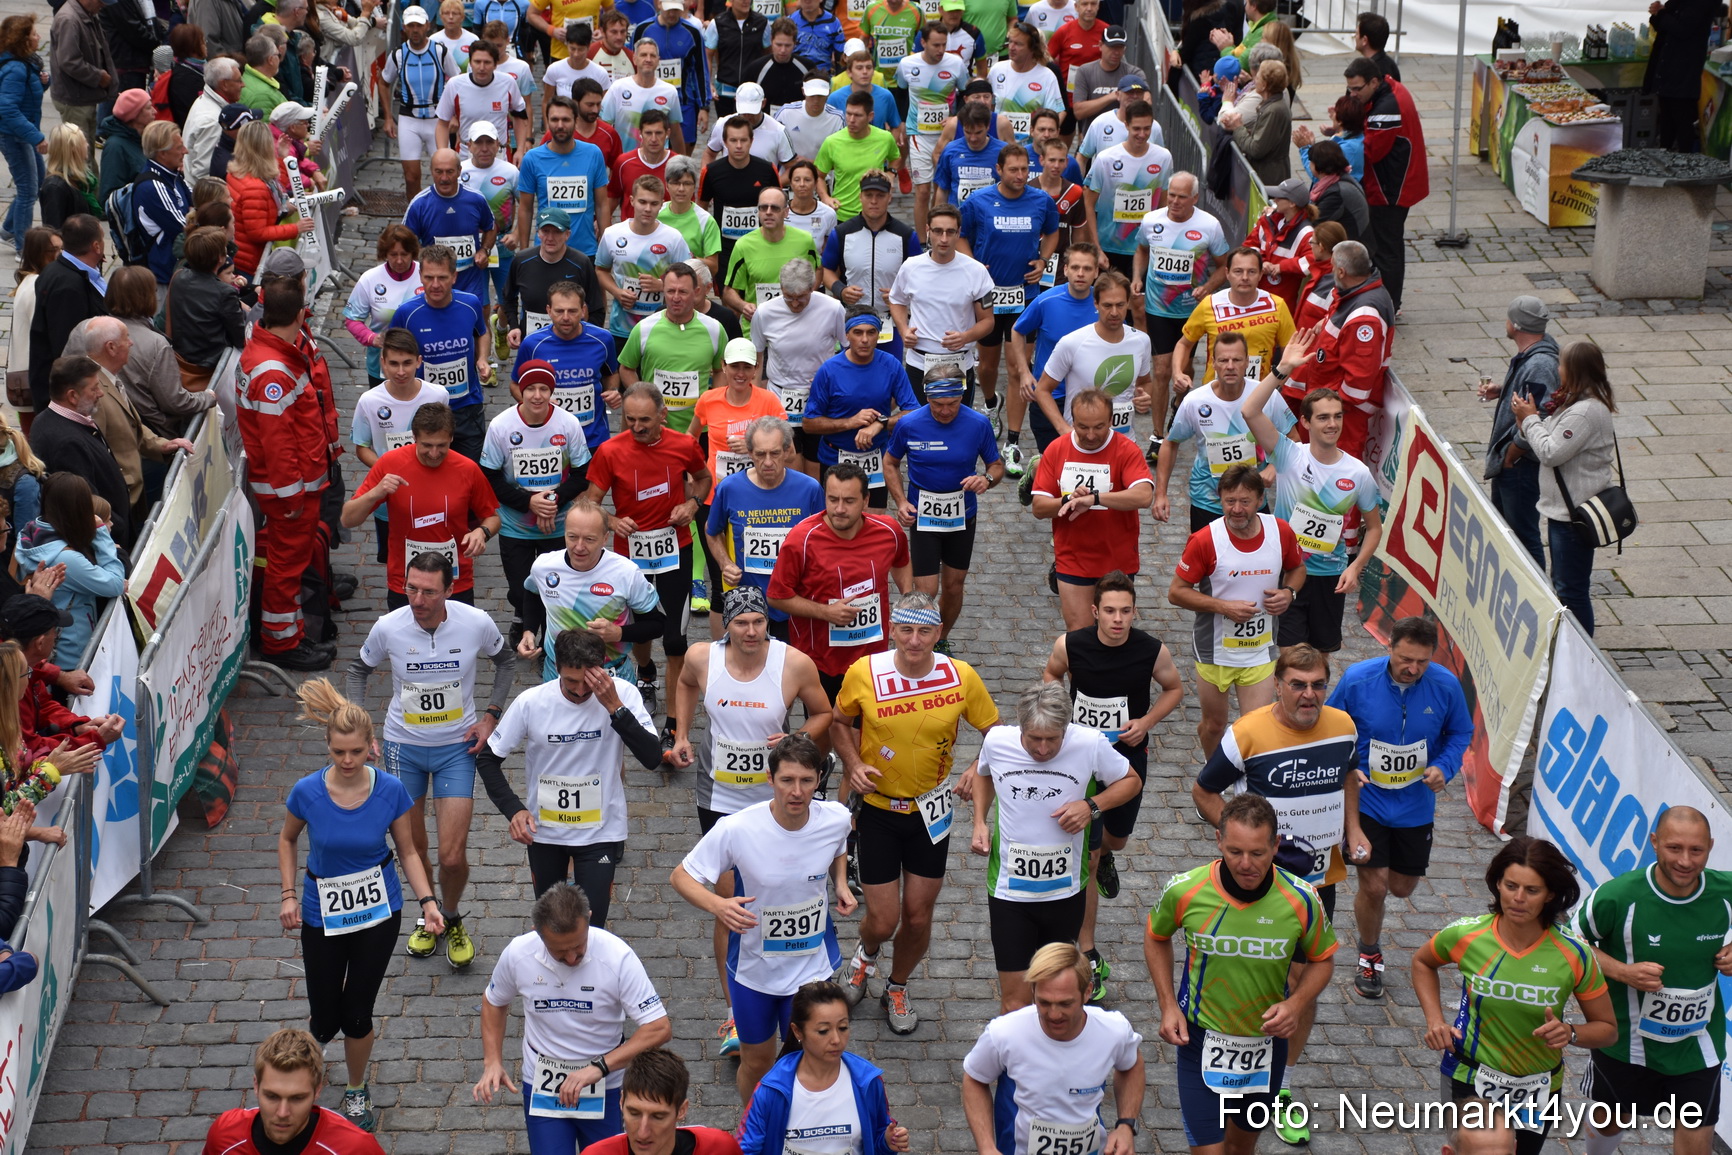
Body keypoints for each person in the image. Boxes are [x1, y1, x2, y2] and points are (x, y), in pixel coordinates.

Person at [1191, 642, 1365, 1143]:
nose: (1308, 695)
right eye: (1297, 684)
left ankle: (1279, 1085)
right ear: (1277, 685)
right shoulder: (1247, 734)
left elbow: (1347, 778)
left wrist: (1353, 830)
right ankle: (1236, 1066)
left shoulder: (1343, 727)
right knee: (1261, 976)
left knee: (1303, 983)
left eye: (1317, 685)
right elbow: (1204, 791)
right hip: (1260, 883)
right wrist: (1234, 845)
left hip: (1317, 883)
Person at [669, 586, 832, 1054]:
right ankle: (736, 1012)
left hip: (779, 801)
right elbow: (682, 683)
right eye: (740, 622)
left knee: (777, 889)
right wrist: (681, 732)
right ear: (727, 626)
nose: (750, 631)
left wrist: (797, 736)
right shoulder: (704, 658)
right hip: (719, 796)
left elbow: (824, 712)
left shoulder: (794, 664)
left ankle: (785, 989)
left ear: (768, 623)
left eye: (758, 622)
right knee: (730, 901)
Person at [274, 679, 439, 1133]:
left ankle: (355, 1088)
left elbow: (407, 851)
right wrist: (289, 894)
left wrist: (428, 902)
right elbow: (287, 840)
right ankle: (313, 1067)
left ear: (372, 746)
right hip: (321, 911)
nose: (347, 761)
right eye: (338, 752)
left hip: (378, 913)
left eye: (355, 752)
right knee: (324, 1016)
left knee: (357, 1012)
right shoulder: (306, 791)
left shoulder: (390, 790)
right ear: (327, 746)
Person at [831, 590, 996, 1032]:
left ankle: (898, 985)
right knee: (882, 919)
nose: (915, 641)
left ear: (939, 633)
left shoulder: (961, 676)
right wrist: (853, 763)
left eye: (925, 631)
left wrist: (975, 766)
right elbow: (838, 723)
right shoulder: (864, 671)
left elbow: (997, 734)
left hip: (930, 812)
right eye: (905, 629)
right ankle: (864, 957)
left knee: (919, 915)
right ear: (892, 630)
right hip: (880, 810)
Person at [344, 551, 514, 969]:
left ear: (449, 590)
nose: (418, 600)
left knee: (452, 856)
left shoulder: (475, 622)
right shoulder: (389, 627)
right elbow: (356, 671)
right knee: (414, 848)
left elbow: (506, 662)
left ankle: (452, 916)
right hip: (404, 748)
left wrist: (491, 716)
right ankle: (429, 914)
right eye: (411, 589)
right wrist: (360, 729)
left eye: (429, 592)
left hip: (457, 748)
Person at [1145, 791, 1337, 1155]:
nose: (1245, 863)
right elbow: (1156, 936)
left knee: (1239, 1150)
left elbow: (1322, 960)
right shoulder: (1186, 890)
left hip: (1264, 1049)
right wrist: (1168, 1005)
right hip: (1199, 1041)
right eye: (1234, 851)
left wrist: (1296, 1005)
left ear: (1276, 845)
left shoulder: (1302, 899)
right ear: (1218, 840)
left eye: (1257, 853)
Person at [671, 733, 854, 1104]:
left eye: (806, 780)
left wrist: (840, 883)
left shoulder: (836, 818)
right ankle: (754, 1127)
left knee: (808, 1058)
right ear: (770, 780)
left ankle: (793, 1127)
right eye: (787, 780)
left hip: (810, 969)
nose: (797, 791)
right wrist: (718, 906)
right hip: (755, 971)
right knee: (757, 1062)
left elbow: (838, 845)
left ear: (819, 779)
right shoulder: (737, 829)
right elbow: (681, 876)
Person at [1414, 836, 1618, 1155]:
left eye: (1531, 890)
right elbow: (1422, 962)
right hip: (1470, 1073)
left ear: (1550, 894)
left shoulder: (1574, 954)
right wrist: (1434, 1019)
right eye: (1511, 886)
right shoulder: (1467, 935)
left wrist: (1571, 1032)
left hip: (1538, 1087)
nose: (1518, 898)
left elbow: (1607, 1030)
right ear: (1498, 884)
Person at [1041, 570, 1181, 999]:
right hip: (1081, 761)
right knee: (1090, 849)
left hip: (1126, 760)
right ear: (1095, 612)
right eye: (1110, 612)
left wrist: (1146, 722)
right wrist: (1061, 716)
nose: (1118, 620)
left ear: (1134, 612)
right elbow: (1051, 674)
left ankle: (1106, 858)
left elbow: (1174, 688)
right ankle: (1088, 950)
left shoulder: (1152, 650)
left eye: (1126, 611)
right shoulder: (1072, 644)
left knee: (1115, 842)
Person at [1325, 616, 1472, 998]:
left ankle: (1374, 930)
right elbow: (1332, 725)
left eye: (1422, 662)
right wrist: (1348, 767)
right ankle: (1369, 955)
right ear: (1389, 647)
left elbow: (1461, 732)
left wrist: (1445, 766)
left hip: (1415, 804)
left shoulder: (1445, 685)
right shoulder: (1358, 679)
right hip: (1368, 800)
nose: (1413, 669)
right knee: (1373, 886)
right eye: (1405, 659)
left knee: (1401, 888)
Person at [970, 680, 1139, 1011]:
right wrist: (979, 821)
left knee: (1052, 998)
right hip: (1009, 893)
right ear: (1021, 727)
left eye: (1052, 740)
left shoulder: (1089, 744)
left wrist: (1092, 806)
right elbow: (983, 773)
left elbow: (1131, 780)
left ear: (1067, 729)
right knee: (1015, 1003)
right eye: (1034, 739)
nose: (1043, 750)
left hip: (1064, 893)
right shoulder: (997, 741)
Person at [1574, 807, 1732, 1155]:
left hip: (1697, 1045)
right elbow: (1567, 943)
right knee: (1611, 1118)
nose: (1686, 861)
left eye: (1697, 851)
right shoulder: (1619, 895)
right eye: (1674, 848)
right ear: (1654, 843)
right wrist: (1622, 971)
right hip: (1625, 1042)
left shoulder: (1724, 891)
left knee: (1697, 1140)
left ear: (1711, 847)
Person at [473, 882, 673, 1150]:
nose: (570, 958)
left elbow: (659, 1028)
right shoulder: (518, 954)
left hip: (605, 1085)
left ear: (588, 920)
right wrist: (492, 1060)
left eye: (578, 946)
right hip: (543, 1083)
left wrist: (598, 1068)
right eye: (559, 951)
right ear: (538, 934)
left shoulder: (617, 957)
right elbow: (494, 1001)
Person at [1240, 335, 1382, 653]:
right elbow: (1250, 411)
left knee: (1320, 660)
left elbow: (1374, 528)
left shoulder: (1357, 473)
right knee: (1289, 655)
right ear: (1305, 422)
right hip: (1288, 569)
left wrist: (1355, 566)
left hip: (1329, 575)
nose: (1332, 424)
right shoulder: (1289, 454)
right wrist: (1283, 369)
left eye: (1337, 416)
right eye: (1323, 417)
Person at [582, 383, 710, 723]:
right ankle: (645, 671)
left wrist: (692, 504)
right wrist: (611, 520)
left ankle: (673, 722)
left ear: (663, 415)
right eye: (630, 419)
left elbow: (703, 478)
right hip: (631, 555)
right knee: (642, 628)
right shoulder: (610, 451)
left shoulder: (684, 445)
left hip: (675, 550)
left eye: (645, 421)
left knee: (674, 638)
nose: (637, 428)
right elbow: (590, 502)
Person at [233, 279, 335, 669]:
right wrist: (291, 497)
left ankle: (291, 632)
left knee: (288, 564)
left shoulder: (268, 355)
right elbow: (278, 446)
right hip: (290, 493)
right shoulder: (273, 372)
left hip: (291, 487)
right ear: (300, 313)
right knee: (285, 566)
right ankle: (282, 643)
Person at [767, 462, 911, 702]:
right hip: (821, 660)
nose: (839, 509)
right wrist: (826, 612)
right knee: (825, 731)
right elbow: (776, 596)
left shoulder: (889, 531)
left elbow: (901, 560)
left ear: (866, 501)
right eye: (833, 499)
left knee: (865, 733)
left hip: (872, 657)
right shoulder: (801, 539)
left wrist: (907, 598)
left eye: (849, 501)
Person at [881, 371, 1002, 643]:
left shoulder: (978, 424)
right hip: (924, 518)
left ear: (962, 397)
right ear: (927, 398)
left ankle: (940, 639)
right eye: (938, 405)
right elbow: (890, 462)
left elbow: (996, 466)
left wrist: (987, 479)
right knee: (926, 590)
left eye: (953, 404)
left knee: (953, 586)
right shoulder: (909, 424)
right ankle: (920, 641)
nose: (946, 411)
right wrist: (901, 501)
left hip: (963, 516)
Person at [341, 402, 502, 607]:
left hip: (454, 583)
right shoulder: (390, 463)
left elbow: (493, 518)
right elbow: (347, 519)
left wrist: (482, 532)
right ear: (414, 438)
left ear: (451, 438)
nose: (434, 453)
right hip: (406, 583)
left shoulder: (467, 469)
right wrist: (375, 493)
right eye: (427, 445)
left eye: (442, 445)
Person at [479, 360, 593, 641]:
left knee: (553, 587)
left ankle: (546, 642)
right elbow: (489, 478)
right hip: (515, 524)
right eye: (531, 388)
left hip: (557, 522)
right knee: (520, 589)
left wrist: (551, 502)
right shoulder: (501, 425)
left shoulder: (568, 424)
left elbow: (582, 474)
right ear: (520, 390)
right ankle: (522, 613)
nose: (538, 395)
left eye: (544, 388)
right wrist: (529, 503)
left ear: (552, 391)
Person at [1512, 339, 1619, 635]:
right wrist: (1529, 420)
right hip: (1565, 511)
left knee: (1571, 591)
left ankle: (1583, 655)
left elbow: (1551, 452)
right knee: (1566, 586)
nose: (1557, 369)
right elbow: (1551, 436)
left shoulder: (1584, 412)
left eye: (1561, 364)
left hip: (1573, 516)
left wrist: (1530, 420)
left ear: (1574, 370)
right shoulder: (1576, 402)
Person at [957, 142, 1057, 448]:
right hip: (988, 296)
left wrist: (1042, 259)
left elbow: (1053, 232)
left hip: (1023, 294)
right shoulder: (979, 201)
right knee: (987, 366)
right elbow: (962, 237)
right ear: (998, 170)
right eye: (1013, 169)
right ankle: (990, 403)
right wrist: (974, 266)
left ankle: (1013, 440)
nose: (1020, 175)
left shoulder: (1041, 201)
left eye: (1025, 169)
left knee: (1018, 367)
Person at [738, 981, 911, 1155]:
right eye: (823, 1031)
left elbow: (877, 1140)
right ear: (798, 1031)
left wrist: (888, 1143)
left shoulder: (868, 1082)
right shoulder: (771, 1090)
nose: (836, 1039)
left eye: (843, 1027)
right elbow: (746, 1149)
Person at [1030, 386, 1152, 630]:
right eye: (1083, 427)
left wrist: (1095, 499)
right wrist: (1068, 500)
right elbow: (1039, 507)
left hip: (1118, 560)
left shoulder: (1126, 449)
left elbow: (1144, 495)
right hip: (1073, 559)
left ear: (1111, 421)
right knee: (1080, 638)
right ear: (1072, 421)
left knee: (1113, 635)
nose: (1091, 435)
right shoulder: (1057, 449)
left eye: (1099, 426)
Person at [1157, 330, 1296, 533]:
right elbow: (1170, 443)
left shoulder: (1266, 396)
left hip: (1253, 500)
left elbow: (1294, 440)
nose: (1230, 366)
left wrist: (1273, 468)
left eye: (1236, 360)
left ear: (1247, 362)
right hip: (1207, 500)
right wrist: (1161, 494)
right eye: (1223, 360)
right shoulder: (1196, 401)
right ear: (1213, 363)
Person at [1130, 170, 1227, 455]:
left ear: (1194, 198)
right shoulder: (1152, 220)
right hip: (1158, 307)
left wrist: (1208, 286)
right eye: (1171, 194)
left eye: (1182, 197)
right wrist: (1138, 275)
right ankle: (1158, 436)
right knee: (1161, 370)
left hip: (1190, 311)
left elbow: (1223, 265)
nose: (1174, 201)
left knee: (1183, 370)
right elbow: (1141, 249)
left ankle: (1179, 401)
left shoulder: (1209, 226)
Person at [1283, 239, 1390, 459]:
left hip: (1342, 418)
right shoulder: (1353, 294)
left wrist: (1330, 414)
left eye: (1332, 267)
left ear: (1341, 272)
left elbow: (1357, 385)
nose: (1330, 271)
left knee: (1334, 476)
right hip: (1330, 405)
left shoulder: (1364, 318)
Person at [201, 1029, 388, 1154]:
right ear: (256, 1086)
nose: (282, 1113)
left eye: (297, 1098)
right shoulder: (224, 1135)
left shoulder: (355, 1148)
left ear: (317, 1091)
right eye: (272, 1096)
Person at [386, 244, 494, 461]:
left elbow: (482, 332)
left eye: (442, 277)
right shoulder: (406, 314)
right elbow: (391, 356)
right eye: (429, 277)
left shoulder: (470, 304)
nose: (435, 285)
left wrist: (482, 358)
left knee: (470, 472)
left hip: (467, 406)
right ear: (420, 276)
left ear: (454, 276)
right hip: (425, 411)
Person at [803, 309, 920, 509]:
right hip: (835, 459)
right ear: (847, 335)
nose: (864, 339)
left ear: (878, 334)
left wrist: (880, 424)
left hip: (876, 458)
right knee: (839, 519)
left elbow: (913, 414)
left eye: (871, 332)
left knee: (874, 522)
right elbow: (809, 424)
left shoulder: (891, 365)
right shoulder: (829, 370)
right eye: (858, 333)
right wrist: (851, 422)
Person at [349, 330, 449, 565]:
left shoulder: (438, 395)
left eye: (407, 363)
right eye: (393, 364)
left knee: (433, 556)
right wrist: (390, 469)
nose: (401, 371)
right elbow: (362, 446)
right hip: (390, 498)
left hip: (431, 492)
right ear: (382, 362)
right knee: (394, 559)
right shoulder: (370, 401)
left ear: (419, 362)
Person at [1031, 266, 1150, 453]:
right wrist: (1063, 430)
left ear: (1128, 303)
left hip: (1124, 442)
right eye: (1107, 305)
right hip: (1081, 444)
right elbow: (1042, 390)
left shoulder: (1141, 341)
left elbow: (1144, 383)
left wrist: (1143, 397)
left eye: (1120, 305)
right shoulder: (1072, 342)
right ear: (1096, 304)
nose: (1114, 312)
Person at [886, 205, 993, 409]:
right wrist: (903, 329)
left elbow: (988, 321)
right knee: (918, 427)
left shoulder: (976, 271)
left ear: (958, 233)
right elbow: (897, 300)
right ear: (928, 230)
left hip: (959, 363)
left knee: (958, 428)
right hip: (920, 362)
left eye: (950, 232)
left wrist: (965, 337)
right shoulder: (911, 267)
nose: (944, 239)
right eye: (937, 231)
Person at [1342, 57, 1426, 313]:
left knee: (1387, 247)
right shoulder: (1388, 90)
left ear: (1374, 81)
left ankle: (1390, 304)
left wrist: (1339, 142)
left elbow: (1370, 151)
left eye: (1357, 89)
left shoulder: (1387, 107)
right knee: (1389, 244)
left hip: (1392, 188)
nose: (1353, 95)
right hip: (1396, 182)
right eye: (1350, 89)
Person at [1480, 295, 1559, 569]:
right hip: (1513, 463)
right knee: (1507, 532)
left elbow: (1540, 415)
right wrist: (1503, 391)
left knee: (1523, 537)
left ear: (1516, 325)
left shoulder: (1539, 364)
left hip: (1520, 466)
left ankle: (1539, 598)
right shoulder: (1535, 355)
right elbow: (1533, 397)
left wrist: (1512, 454)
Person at [14, 474, 122, 671]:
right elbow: (115, 584)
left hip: (48, 653)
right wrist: (100, 534)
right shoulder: (67, 560)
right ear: (79, 508)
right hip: (72, 658)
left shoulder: (29, 534)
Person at [820, 170, 921, 369]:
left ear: (890, 197)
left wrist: (899, 294)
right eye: (869, 195)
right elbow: (825, 270)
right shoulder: (842, 233)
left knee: (890, 378)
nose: (874, 201)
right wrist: (840, 290)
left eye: (880, 196)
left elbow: (920, 277)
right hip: (852, 320)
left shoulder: (906, 235)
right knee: (851, 377)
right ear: (860, 197)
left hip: (890, 322)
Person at [750, 262, 846, 471]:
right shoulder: (765, 312)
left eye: (801, 298)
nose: (794, 304)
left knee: (816, 462)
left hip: (820, 396)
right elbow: (757, 358)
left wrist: (829, 378)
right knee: (789, 460)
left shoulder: (832, 308)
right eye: (788, 298)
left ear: (813, 287)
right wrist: (756, 399)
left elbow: (848, 351)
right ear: (781, 289)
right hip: (779, 396)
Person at [27, 358, 130, 550]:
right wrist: (119, 527)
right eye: (94, 389)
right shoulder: (67, 443)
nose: (100, 394)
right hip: (106, 544)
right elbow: (86, 503)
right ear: (73, 396)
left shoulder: (50, 420)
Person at [1010, 241, 1099, 455]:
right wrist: (1024, 372)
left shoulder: (1103, 303)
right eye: (1075, 267)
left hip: (1092, 399)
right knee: (1052, 464)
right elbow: (1017, 330)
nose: (1080, 273)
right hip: (1050, 397)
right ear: (1065, 269)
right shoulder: (1046, 301)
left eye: (1087, 268)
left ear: (1096, 272)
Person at [106, 268, 215, 438]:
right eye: (154, 291)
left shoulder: (87, 330)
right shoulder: (156, 345)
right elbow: (175, 402)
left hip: (107, 433)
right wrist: (207, 398)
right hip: (152, 439)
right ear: (145, 297)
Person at [580, 1049, 745, 1155]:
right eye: (634, 1113)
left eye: (658, 1116)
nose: (642, 1133)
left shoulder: (720, 1148)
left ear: (681, 1110)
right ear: (621, 1102)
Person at [1080, 99, 1170, 278]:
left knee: (1136, 303)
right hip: (1108, 247)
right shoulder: (1106, 158)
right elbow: (1088, 203)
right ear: (1126, 125)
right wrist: (1096, 248)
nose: (1142, 134)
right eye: (1137, 128)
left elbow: (1163, 203)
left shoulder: (1163, 157)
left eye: (1147, 128)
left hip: (1143, 247)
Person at [597, 175, 695, 339]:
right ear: (632, 200)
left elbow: (690, 278)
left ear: (661, 204)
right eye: (643, 202)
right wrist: (617, 293)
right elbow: (601, 270)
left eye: (654, 203)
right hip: (622, 327)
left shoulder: (673, 238)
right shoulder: (612, 234)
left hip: (663, 327)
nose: (648, 209)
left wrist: (662, 284)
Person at [380, 7, 462, 197]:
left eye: (419, 25)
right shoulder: (398, 54)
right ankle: (414, 219)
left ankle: (446, 213)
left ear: (427, 26)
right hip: (409, 119)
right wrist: (388, 118)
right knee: (411, 177)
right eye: (411, 26)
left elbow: (458, 82)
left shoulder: (440, 52)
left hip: (437, 120)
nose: (415, 30)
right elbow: (384, 83)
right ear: (404, 28)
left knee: (446, 173)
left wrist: (455, 115)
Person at [890, 23, 964, 235]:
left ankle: (936, 232)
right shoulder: (907, 64)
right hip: (919, 134)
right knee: (922, 190)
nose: (941, 50)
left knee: (941, 188)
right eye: (935, 45)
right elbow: (901, 93)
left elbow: (966, 94)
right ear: (923, 43)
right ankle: (922, 241)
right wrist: (902, 122)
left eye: (944, 45)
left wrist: (955, 117)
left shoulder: (956, 64)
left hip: (947, 135)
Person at [516, 95, 612, 257]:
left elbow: (602, 204)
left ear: (576, 120)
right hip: (547, 250)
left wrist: (606, 249)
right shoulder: (532, 159)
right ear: (547, 121)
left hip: (586, 251)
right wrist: (524, 253)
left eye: (566, 120)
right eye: (554, 120)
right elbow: (525, 208)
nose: (560, 125)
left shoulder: (593, 153)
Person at [404, 149, 498, 306]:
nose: (444, 178)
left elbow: (491, 227)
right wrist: (423, 257)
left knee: (472, 327)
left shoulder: (475, 199)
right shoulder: (419, 204)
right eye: (439, 172)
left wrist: (484, 250)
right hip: (435, 285)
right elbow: (406, 239)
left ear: (459, 171)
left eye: (450, 172)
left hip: (470, 282)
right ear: (431, 172)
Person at [722, 189, 820, 338]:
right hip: (759, 331)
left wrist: (806, 296)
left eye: (775, 208)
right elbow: (729, 291)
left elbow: (818, 270)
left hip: (797, 328)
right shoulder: (743, 245)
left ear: (786, 212)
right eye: (763, 207)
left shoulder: (805, 241)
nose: (768, 212)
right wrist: (744, 306)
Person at [506, 208, 606, 348]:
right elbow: (508, 297)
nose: (550, 238)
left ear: (567, 235)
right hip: (533, 342)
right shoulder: (521, 260)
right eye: (545, 231)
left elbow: (597, 308)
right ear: (538, 233)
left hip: (570, 343)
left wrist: (586, 340)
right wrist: (514, 326)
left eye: (557, 232)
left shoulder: (581, 263)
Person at [227, 121, 315, 279]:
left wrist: (282, 158)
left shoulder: (238, 173)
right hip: (249, 262)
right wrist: (296, 228)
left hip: (242, 255)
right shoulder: (255, 188)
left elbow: (273, 188)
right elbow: (257, 232)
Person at [165, 226, 247, 387]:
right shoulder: (225, 293)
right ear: (220, 259)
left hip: (180, 360)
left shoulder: (179, 277)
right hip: (211, 371)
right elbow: (239, 337)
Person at [343, 228, 424, 385]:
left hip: (422, 364)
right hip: (382, 367)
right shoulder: (370, 279)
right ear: (384, 253)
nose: (399, 261)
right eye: (393, 255)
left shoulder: (426, 275)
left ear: (413, 253)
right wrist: (372, 338)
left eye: (404, 254)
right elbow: (352, 319)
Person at [699, 117, 780, 275]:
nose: (738, 146)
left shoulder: (767, 170)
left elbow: (779, 208)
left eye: (743, 140)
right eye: (733, 140)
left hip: (760, 245)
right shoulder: (711, 172)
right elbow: (701, 209)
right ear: (724, 141)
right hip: (724, 248)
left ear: (751, 141)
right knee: (726, 295)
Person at [633, 0, 710, 150]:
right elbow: (633, 63)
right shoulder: (643, 29)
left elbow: (700, 70)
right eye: (669, 9)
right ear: (660, 4)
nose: (672, 13)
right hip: (649, 99)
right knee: (649, 146)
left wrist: (704, 107)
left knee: (682, 155)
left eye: (676, 9)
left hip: (683, 102)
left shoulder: (692, 32)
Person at [817, 93, 904, 224]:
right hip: (842, 214)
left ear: (870, 116)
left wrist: (891, 174)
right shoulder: (832, 142)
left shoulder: (885, 138)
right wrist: (825, 197)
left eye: (857, 115)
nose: (851, 120)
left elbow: (896, 158)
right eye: (848, 114)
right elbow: (818, 176)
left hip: (875, 214)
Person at [436, 40, 530, 160]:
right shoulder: (454, 84)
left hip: (499, 154)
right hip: (467, 154)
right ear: (470, 63)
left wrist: (520, 150)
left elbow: (520, 117)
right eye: (477, 62)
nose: (481, 67)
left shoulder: (508, 83)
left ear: (495, 64)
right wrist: (442, 153)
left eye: (487, 62)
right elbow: (442, 123)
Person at [0, 17, 48, 251]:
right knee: (28, 190)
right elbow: (7, 108)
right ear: (23, 40)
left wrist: (43, 83)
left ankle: (9, 229)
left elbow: (26, 96)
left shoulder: (27, 64)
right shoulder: (16, 68)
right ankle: (23, 247)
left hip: (23, 133)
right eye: (34, 33)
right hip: (14, 136)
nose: (39, 36)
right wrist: (36, 137)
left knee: (37, 181)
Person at [48, 0, 117, 150]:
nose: (103, 6)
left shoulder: (87, 14)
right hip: (74, 99)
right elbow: (69, 61)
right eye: (101, 2)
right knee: (79, 155)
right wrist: (98, 77)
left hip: (82, 96)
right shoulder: (69, 19)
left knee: (86, 151)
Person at [1245, 176, 1313, 315]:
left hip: (1281, 304)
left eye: (1279, 197)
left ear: (1292, 204)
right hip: (1255, 295)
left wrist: (1280, 267)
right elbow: (1250, 245)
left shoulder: (1306, 233)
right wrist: (1260, 262)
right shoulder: (1267, 221)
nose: (1274, 200)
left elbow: (1310, 262)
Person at [1069, 24, 1139, 131]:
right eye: (1112, 47)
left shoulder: (1133, 73)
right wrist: (1112, 96)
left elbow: (1145, 102)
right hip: (1093, 137)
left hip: (1124, 136)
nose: (1116, 52)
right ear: (1100, 45)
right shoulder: (1085, 71)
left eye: (1120, 48)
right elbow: (1078, 112)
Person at [932, 103, 1003, 208]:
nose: (973, 138)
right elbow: (943, 189)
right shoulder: (951, 150)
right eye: (968, 132)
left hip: (989, 215)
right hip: (958, 216)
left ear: (988, 126)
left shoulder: (1002, 151)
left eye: (978, 133)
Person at [711, 0, 771, 119]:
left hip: (753, 90)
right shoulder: (717, 23)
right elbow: (708, 54)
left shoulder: (763, 23)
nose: (745, 1)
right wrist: (709, 83)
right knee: (727, 130)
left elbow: (768, 53)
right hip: (726, 89)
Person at [38, 126, 99, 231]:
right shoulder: (54, 187)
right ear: (74, 149)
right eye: (84, 142)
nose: (88, 145)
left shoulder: (77, 179)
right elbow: (54, 231)